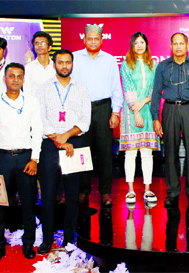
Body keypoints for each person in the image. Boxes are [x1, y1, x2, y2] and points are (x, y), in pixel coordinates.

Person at [0, 63, 43, 262]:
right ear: (5, 79)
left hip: (26, 159)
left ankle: (28, 245)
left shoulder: (32, 102)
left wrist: (35, 159)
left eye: (19, 76)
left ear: (24, 79)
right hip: (1, 159)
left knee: (28, 203)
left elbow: (37, 132)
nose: (15, 80)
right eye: (12, 76)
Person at [35, 49, 91, 254]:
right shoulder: (42, 89)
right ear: (54, 64)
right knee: (48, 194)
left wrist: (66, 136)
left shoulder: (82, 89)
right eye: (60, 62)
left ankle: (69, 238)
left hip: (74, 144)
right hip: (50, 145)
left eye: (68, 62)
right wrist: (58, 140)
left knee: (73, 193)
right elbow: (40, 119)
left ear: (72, 65)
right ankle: (47, 238)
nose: (64, 66)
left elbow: (85, 121)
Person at [150, 32, 189, 207]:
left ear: (187, 45)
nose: (178, 46)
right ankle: (173, 192)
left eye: (181, 43)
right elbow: (155, 94)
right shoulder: (162, 66)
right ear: (171, 46)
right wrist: (155, 118)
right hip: (169, 110)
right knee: (170, 153)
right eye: (175, 43)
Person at [71, 24, 123, 210]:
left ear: (102, 40)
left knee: (104, 153)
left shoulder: (109, 60)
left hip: (103, 108)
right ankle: (83, 190)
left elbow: (116, 88)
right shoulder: (75, 58)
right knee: (82, 152)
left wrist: (115, 112)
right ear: (84, 39)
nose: (93, 41)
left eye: (96, 39)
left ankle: (105, 192)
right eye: (89, 38)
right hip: (80, 109)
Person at [119, 32, 160, 204]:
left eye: (142, 42)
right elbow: (128, 88)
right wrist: (135, 112)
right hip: (131, 112)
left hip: (148, 109)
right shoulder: (126, 64)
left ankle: (148, 189)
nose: (139, 45)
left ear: (146, 44)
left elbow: (155, 88)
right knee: (130, 154)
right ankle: (130, 190)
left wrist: (143, 103)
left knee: (146, 153)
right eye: (136, 43)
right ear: (132, 45)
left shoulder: (154, 64)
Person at [24, 31, 56, 97]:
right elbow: (27, 91)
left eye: (43, 43)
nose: (39, 45)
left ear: (49, 47)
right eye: (36, 43)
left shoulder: (56, 67)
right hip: (35, 105)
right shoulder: (29, 68)